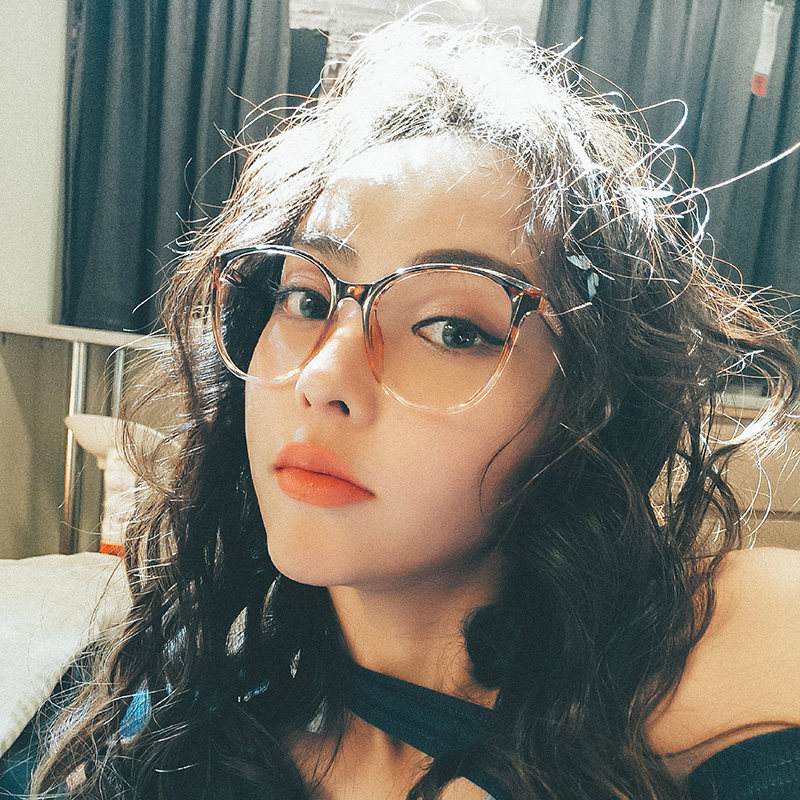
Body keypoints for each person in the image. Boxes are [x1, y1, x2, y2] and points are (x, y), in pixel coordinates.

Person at [26, 19, 800, 800]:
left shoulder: (720, 646)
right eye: (305, 298)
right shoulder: (172, 727)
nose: (322, 376)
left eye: (452, 329)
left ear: (587, 409)